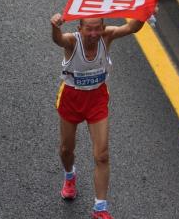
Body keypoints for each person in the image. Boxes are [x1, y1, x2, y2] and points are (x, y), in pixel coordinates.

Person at [50, 13, 144, 219]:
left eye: (97, 28)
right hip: (71, 99)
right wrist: (55, 26)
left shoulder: (106, 36)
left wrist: (144, 12)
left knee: (102, 155)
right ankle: (70, 175)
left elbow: (132, 28)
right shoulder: (72, 41)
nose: (93, 34)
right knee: (67, 149)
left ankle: (100, 208)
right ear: (80, 28)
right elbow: (58, 39)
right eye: (89, 29)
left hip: (97, 99)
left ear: (103, 27)